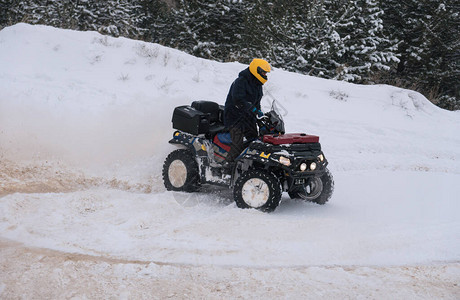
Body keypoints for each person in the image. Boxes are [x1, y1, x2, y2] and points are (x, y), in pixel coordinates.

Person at [223, 58, 271, 163]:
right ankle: (226, 167)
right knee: (238, 144)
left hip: (248, 118)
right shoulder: (241, 81)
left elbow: (257, 102)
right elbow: (238, 100)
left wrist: (260, 117)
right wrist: (252, 108)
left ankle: (248, 165)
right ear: (256, 70)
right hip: (234, 117)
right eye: (263, 72)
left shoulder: (258, 84)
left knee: (254, 142)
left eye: (265, 73)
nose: (264, 75)